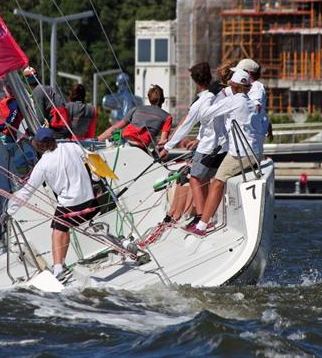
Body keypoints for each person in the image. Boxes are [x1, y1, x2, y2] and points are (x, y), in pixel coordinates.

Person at [5, 128, 97, 280]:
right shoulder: (72, 146)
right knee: (63, 228)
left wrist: (9, 211)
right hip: (89, 198)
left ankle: (58, 270)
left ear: (38, 145)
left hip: (70, 204)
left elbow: (27, 191)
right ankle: (62, 263)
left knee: (57, 231)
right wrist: (95, 178)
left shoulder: (43, 165)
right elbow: (93, 157)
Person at [188, 68, 257, 236]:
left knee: (216, 182)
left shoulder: (234, 100)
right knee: (214, 178)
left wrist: (209, 95)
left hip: (239, 153)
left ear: (232, 85)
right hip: (253, 151)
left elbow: (205, 113)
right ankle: (206, 219)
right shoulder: (249, 102)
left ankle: (202, 225)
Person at [158, 63, 217, 225]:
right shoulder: (219, 97)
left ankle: (200, 217)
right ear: (210, 77)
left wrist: (168, 147)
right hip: (218, 146)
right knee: (201, 177)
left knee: (194, 178)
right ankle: (203, 214)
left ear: (195, 82)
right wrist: (198, 138)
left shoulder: (200, 102)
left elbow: (185, 126)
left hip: (207, 147)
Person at [97, 85, 172, 150]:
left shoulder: (136, 109)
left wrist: (97, 139)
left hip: (122, 141)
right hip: (139, 147)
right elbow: (162, 143)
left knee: (116, 134)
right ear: (163, 100)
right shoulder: (167, 117)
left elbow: (115, 128)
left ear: (149, 99)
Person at [236, 58, 271, 159]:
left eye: (240, 71)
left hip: (250, 141)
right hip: (247, 140)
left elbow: (256, 108)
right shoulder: (250, 87)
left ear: (249, 73)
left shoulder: (256, 87)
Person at [23, 66, 69, 138]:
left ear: (26, 81)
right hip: (65, 128)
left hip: (57, 130)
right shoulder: (48, 88)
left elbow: (40, 119)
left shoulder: (37, 91)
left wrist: (29, 130)